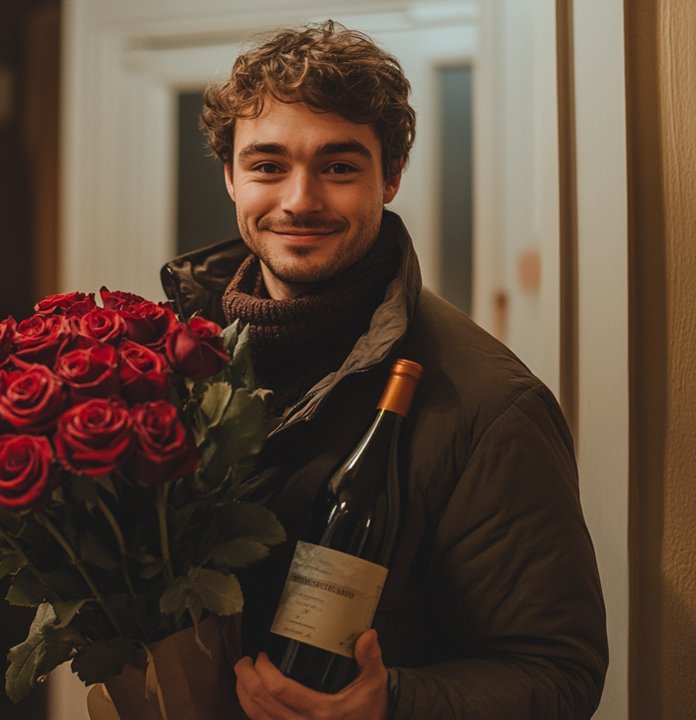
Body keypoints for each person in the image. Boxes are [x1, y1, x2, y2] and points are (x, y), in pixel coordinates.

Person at [159, 21, 608, 720]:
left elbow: (559, 673)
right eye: (268, 166)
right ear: (230, 178)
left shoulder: (493, 405)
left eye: (338, 167)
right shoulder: (168, 363)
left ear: (390, 176)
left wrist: (391, 702)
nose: (299, 199)